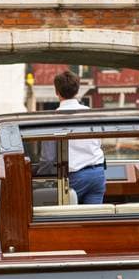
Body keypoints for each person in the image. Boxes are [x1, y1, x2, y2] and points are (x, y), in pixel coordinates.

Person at [53, 70, 105, 205]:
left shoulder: (54, 118)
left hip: (74, 176)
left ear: (57, 92)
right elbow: (98, 142)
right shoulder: (91, 113)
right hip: (97, 173)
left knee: (67, 215)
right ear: (77, 91)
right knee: (93, 216)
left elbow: (48, 158)